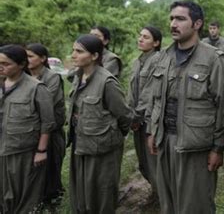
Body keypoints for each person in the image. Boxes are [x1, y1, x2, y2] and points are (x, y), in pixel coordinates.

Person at [141, 0, 224, 214]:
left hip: (195, 147)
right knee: (168, 204)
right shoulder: (163, 56)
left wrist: (218, 148)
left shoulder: (212, 58)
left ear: (197, 23)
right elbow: (155, 99)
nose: (173, 23)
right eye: (172, 18)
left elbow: (223, 107)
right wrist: (151, 131)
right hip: (165, 142)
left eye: (180, 19)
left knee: (195, 206)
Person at [68, 34, 132, 213]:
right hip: (80, 144)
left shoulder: (107, 82)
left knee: (101, 194)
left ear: (95, 56)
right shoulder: (78, 76)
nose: (73, 55)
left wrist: (111, 135)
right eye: (73, 50)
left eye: (79, 51)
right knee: (80, 192)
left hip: (102, 149)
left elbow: (124, 115)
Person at [0, 45, 56, 213]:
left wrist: (41, 150)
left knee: (24, 197)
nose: (1, 67)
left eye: (6, 63)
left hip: (24, 151)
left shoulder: (36, 88)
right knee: (4, 195)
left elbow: (47, 122)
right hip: (3, 148)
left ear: (21, 64)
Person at [26, 43, 66, 205]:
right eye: (25, 56)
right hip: (32, 132)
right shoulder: (24, 76)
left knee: (51, 170)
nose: (27, 59)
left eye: (30, 56)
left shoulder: (52, 77)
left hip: (51, 131)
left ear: (42, 59)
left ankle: (53, 201)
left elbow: (46, 104)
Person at [127, 26, 162, 201]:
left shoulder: (157, 60)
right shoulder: (137, 61)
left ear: (156, 43)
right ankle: (155, 191)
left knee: (152, 160)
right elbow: (131, 92)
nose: (140, 39)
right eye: (140, 36)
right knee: (143, 161)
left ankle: (161, 196)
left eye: (145, 37)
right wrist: (130, 115)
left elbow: (150, 93)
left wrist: (137, 116)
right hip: (136, 118)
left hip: (148, 118)